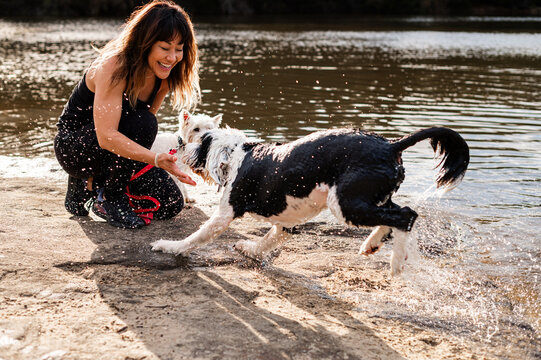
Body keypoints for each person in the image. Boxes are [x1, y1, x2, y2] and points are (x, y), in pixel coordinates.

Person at [54, 0, 199, 229]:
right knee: (144, 123)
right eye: (165, 47)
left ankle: (86, 186)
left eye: (179, 49)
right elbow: (107, 136)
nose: (172, 57)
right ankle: (108, 198)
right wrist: (154, 159)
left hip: (112, 151)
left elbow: (138, 136)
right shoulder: (114, 65)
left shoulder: (165, 75)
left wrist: (160, 163)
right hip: (75, 147)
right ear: (145, 42)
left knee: (171, 203)